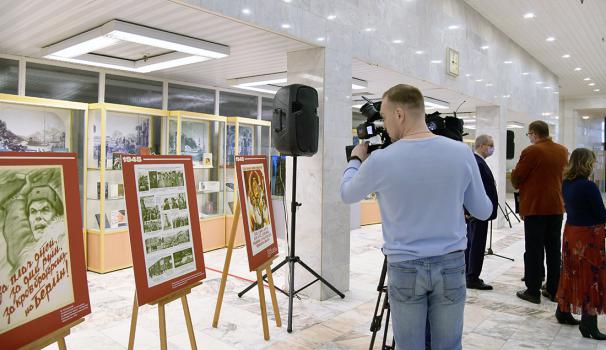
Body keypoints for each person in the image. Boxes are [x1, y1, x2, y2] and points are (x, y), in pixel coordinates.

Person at [340, 84, 492, 350]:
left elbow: (347, 193)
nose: (385, 126)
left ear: (399, 114)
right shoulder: (461, 153)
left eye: (385, 118)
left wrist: (355, 160)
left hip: (405, 265)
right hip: (451, 263)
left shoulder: (381, 160)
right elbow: (484, 211)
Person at [511, 120, 568, 304]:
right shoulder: (562, 150)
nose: (529, 138)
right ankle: (553, 289)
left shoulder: (532, 151)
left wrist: (514, 176)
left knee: (534, 250)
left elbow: (517, 177)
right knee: (553, 249)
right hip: (556, 207)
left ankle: (533, 290)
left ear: (534, 133)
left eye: (529, 135)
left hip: (536, 207)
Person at [556, 148, 606, 338]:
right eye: (592, 163)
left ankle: (562, 311)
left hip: (571, 232)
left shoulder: (566, 182)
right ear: (586, 163)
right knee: (591, 278)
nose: (593, 166)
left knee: (570, 271)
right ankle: (588, 324)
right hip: (587, 237)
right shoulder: (588, 186)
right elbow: (601, 214)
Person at [465, 135, 499, 290]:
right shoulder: (477, 162)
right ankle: (472, 277)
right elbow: (477, 190)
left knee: (472, 243)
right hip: (478, 212)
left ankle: (469, 274)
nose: (492, 148)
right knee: (477, 245)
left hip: (478, 211)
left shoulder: (477, 162)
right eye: (490, 145)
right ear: (481, 145)